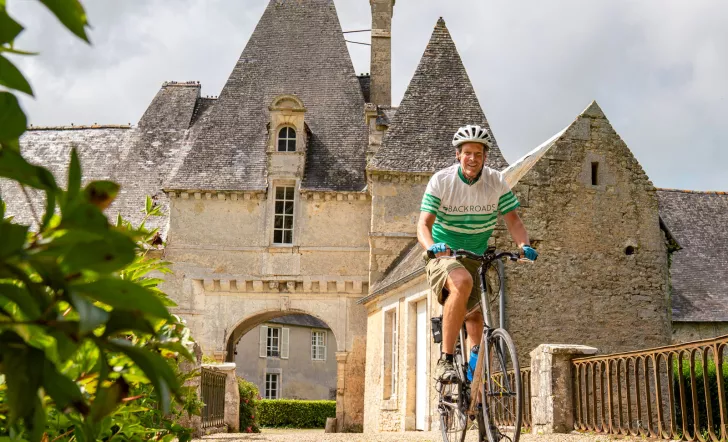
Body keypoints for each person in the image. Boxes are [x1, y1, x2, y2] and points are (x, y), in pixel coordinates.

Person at [417, 124, 538, 383]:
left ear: (485, 157)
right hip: (444, 255)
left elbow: (513, 220)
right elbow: (423, 225)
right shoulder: (442, 181)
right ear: (458, 155)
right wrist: (431, 248)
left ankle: (477, 403)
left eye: (479, 154)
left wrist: (523, 245)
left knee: (475, 320)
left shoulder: (495, 181)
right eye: (468, 153)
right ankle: (446, 360)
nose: (473, 159)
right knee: (461, 282)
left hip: (476, 256)